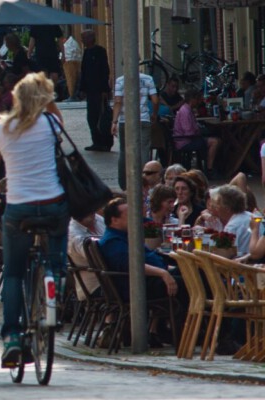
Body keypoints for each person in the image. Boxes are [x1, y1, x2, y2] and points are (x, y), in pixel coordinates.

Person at [0, 72, 69, 369]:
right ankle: (56, 281)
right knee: (55, 256)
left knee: (14, 273)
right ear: (42, 100)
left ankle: (13, 338)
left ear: (15, 98)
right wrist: (48, 99)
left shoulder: (1, 129)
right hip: (53, 205)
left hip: (19, 209)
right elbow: (58, 117)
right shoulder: (51, 123)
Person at [98, 198, 182, 347]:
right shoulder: (113, 241)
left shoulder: (127, 236)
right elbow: (132, 266)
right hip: (138, 287)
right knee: (190, 284)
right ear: (114, 220)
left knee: (194, 274)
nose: (135, 218)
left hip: (149, 279)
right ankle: (186, 335)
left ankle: (166, 331)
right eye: (129, 215)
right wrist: (163, 273)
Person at [111, 66, 159, 190]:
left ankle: (123, 183)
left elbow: (117, 101)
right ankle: (144, 181)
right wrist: (154, 114)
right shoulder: (148, 79)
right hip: (143, 118)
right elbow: (155, 100)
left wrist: (114, 121)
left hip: (125, 120)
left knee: (123, 151)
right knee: (144, 150)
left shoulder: (120, 81)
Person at [172, 88, 220, 177]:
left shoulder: (188, 109)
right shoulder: (185, 111)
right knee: (214, 141)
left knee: (212, 139)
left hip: (188, 139)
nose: (198, 102)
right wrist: (199, 131)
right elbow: (188, 132)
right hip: (185, 141)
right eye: (197, 99)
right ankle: (209, 169)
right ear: (193, 99)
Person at [79, 30, 111, 152]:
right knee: (91, 117)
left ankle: (104, 142)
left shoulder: (100, 52)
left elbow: (104, 70)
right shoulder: (86, 52)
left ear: (90, 39)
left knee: (102, 117)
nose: (82, 41)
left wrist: (104, 89)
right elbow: (84, 71)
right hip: (90, 91)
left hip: (99, 90)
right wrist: (82, 89)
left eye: (83, 38)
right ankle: (96, 141)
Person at [67, 212, 105, 301]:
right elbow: (100, 259)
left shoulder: (98, 219)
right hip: (96, 286)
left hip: (115, 279)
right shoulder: (73, 234)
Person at [208, 185, 251, 257]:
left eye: (218, 204)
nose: (216, 207)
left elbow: (225, 255)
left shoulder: (232, 226)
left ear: (227, 208)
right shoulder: (250, 216)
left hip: (242, 265)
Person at [62, 33, 82, 102]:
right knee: (75, 79)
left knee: (70, 79)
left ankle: (72, 95)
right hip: (76, 59)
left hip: (69, 60)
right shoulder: (74, 43)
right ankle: (74, 95)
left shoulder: (67, 44)